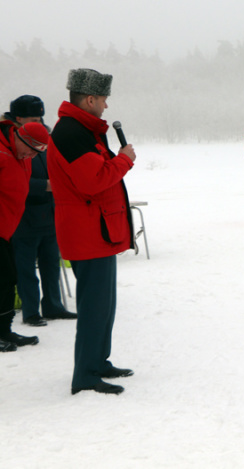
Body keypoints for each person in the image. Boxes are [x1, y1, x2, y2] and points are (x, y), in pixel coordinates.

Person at [49, 68, 136, 395]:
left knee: (105, 305)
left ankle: (98, 361)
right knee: (94, 307)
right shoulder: (71, 133)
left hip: (97, 231)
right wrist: (125, 160)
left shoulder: (84, 130)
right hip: (87, 233)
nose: (105, 106)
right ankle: (85, 374)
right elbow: (93, 180)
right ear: (89, 99)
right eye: (102, 99)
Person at [4, 96, 77, 327]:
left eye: (40, 117)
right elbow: (12, 182)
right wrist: (45, 185)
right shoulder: (10, 144)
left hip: (50, 214)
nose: (40, 121)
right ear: (18, 119)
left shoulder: (44, 138)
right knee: (25, 268)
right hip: (24, 218)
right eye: (34, 118)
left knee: (51, 263)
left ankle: (53, 306)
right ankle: (31, 311)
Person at [0, 119, 50, 351]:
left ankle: (4, 330)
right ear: (22, 139)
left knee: (9, 280)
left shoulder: (21, 156)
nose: (32, 156)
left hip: (9, 228)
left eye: (38, 152)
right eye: (32, 150)